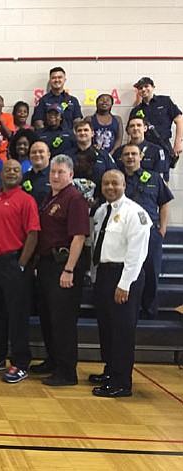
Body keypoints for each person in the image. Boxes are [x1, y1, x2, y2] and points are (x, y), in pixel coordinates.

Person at [0, 160, 40, 383]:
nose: (12, 173)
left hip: (14, 264)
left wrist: (21, 264)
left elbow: (33, 234)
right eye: (8, 170)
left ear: (21, 175)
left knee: (17, 316)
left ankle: (21, 363)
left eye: (16, 170)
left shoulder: (27, 200)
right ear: (0, 173)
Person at [90, 170, 151, 398]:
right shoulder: (101, 211)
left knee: (122, 331)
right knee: (106, 327)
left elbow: (137, 253)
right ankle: (110, 371)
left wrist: (124, 284)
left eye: (115, 183)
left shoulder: (135, 213)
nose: (110, 187)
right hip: (105, 275)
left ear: (124, 185)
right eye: (106, 183)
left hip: (125, 277)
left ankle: (121, 382)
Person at [32, 155, 89, 386]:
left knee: (63, 320)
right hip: (47, 265)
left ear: (71, 175)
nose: (55, 176)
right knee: (48, 317)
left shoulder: (74, 199)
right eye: (53, 172)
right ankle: (53, 360)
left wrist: (69, 269)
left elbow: (78, 237)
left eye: (61, 172)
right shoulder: (49, 198)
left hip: (63, 265)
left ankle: (66, 371)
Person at [121, 144, 174, 319]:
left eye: (134, 154)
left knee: (151, 274)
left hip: (151, 234)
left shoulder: (153, 178)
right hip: (125, 235)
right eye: (126, 154)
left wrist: (162, 230)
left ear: (141, 157)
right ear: (121, 158)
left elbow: (164, 203)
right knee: (128, 273)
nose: (130, 157)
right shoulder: (117, 179)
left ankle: (149, 312)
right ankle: (129, 310)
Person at [130, 76, 183, 164]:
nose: (143, 89)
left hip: (163, 145)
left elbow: (179, 120)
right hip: (144, 148)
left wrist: (178, 143)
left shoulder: (165, 101)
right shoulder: (136, 110)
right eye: (140, 88)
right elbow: (131, 132)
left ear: (153, 87)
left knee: (163, 175)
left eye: (146, 86)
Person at [65, 120, 116, 189]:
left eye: (86, 130)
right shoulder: (67, 156)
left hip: (99, 197)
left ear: (92, 133)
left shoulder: (103, 154)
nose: (82, 133)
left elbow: (114, 174)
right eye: (79, 131)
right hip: (73, 197)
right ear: (75, 134)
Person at [32, 66, 83, 131]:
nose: (57, 80)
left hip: (68, 138)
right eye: (53, 78)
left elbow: (77, 122)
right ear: (50, 80)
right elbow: (38, 123)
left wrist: (71, 136)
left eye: (60, 77)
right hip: (49, 139)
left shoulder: (73, 100)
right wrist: (46, 137)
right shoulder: (43, 100)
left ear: (64, 80)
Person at [21, 141, 52, 207]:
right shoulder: (23, 178)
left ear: (49, 155)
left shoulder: (55, 177)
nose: (37, 155)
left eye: (41, 151)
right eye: (33, 152)